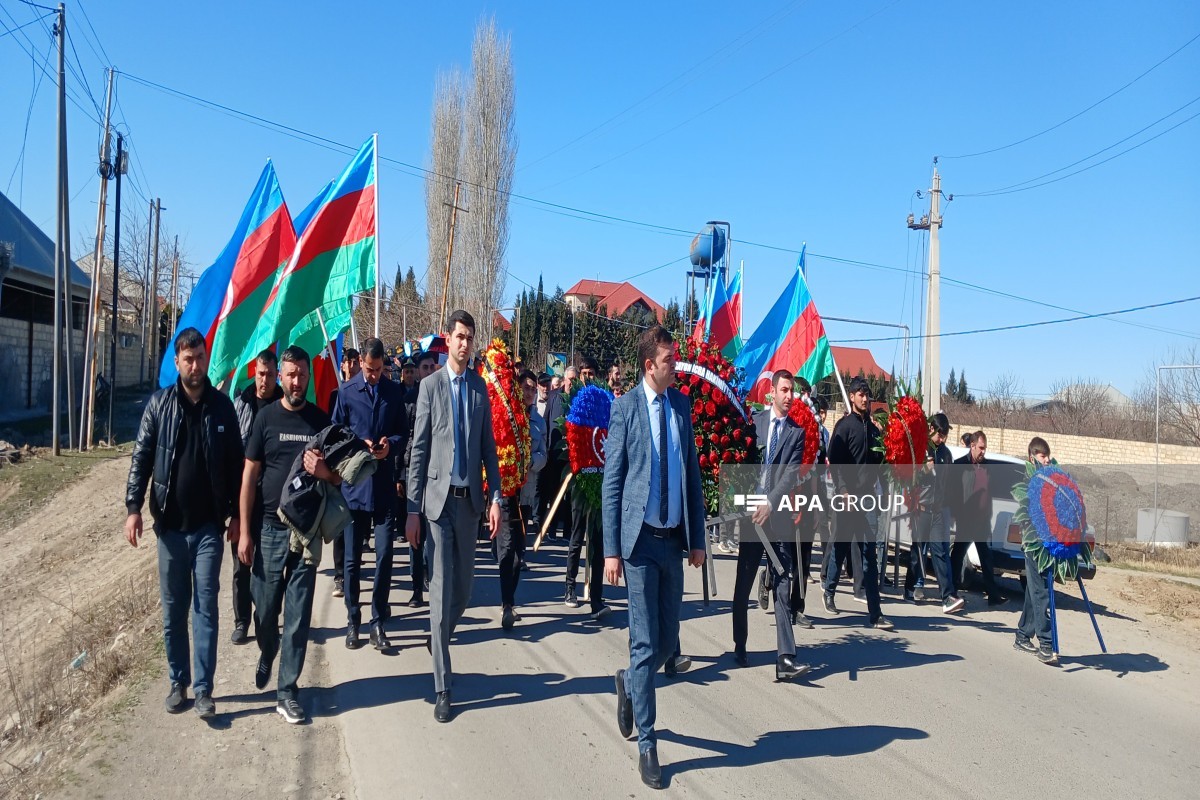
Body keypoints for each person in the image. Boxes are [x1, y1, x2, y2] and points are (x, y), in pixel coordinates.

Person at [603, 325, 706, 790]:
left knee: (667, 642)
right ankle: (648, 744)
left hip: (672, 541)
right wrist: (610, 550)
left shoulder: (680, 406)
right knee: (645, 642)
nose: (675, 366)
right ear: (649, 365)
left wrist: (698, 537)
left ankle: (628, 680)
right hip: (639, 543)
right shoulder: (625, 409)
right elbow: (613, 483)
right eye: (669, 360)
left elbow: (692, 478)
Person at [124, 327, 244, 720]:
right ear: (177, 362)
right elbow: (141, 458)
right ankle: (179, 681)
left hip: (209, 527)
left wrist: (238, 516)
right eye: (187, 359)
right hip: (171, 530)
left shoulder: (222, 408)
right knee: (174, 610)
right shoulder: (159, 406)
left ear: (207, 359)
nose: (194, 365)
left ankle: (205, 689)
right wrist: (133, 507)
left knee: (206, 607)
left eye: (199, 358)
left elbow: (238, 465)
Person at [405, 310, 503, 723]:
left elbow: (488, 452)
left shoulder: (480, 389)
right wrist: (412, 508)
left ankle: (439, 633)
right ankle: (443, 687)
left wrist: (496, 497)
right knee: (442, 587)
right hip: (436, 505)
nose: (464, 343)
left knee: (463, 589)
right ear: (449, 339)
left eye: (470, 337)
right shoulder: (430, 387)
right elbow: (419, 449)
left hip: (469, 505)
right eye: (459, 336)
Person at [238, 346, 334, 725]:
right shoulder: (265, 419)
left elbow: (340, 478)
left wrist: (323, 469)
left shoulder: (320, 423)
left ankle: (287, 690)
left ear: (309, 377)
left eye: (302, 375)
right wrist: (245, 531)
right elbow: (248, 477)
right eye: (290, 375)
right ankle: (267, 648)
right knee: (264, 609)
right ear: (281, 377)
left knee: (297, 616)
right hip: (267, 530)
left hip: (304, 535)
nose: (297, 381)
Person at [732, 370, 810, 680]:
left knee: (782, 581)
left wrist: (770, 503)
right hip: (751, 516)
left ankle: (785, 658)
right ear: (773, 392)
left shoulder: (796, 433)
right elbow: (741, 463)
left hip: (777, 519)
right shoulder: (753, 422)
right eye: (785, 390)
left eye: (792, 391)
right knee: (743, 582)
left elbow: (790, 475)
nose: (790, 396)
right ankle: (740, 643)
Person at [332, 337, 408, 651]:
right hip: (354, 489)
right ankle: (354, 620)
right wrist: (356, 444)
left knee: (384, 555)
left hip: (384, 487)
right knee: (352, 561)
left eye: (378, 369)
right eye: (369, 369)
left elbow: (404, 432)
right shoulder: (347, 392)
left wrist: (390, 443)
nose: (374, 374)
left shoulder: (393, 392)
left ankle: (378, 621)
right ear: (361, 362)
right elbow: (334, 434)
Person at [823, 377, 894, 631]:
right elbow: (835, 460)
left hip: (867, 500)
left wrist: (884, 489)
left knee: (869, 556)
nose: (866, 398)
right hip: (846, 498)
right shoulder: (844, 427)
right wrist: (842, 491)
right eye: (861, 394)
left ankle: (875, 613)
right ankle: (829, 590)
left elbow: (881, 464)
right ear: (852, 397)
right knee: (841, 547)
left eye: (868, 394)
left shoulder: (875, 430)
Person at [229, 348, 282, 646]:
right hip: (244, 496)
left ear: (277, 376)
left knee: (271, 565)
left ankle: (268, 617)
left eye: (270, 375)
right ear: (254, 373)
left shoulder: (283, 405)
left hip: (273, 499)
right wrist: (232, 507)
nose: (265, 380)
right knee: (241, 564)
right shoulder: (242, 404)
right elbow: (232, 454)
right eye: (261, 374)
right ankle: (241, 620)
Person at [496, 369, 547, 629]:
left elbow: (543, 454)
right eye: (525, 388)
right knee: (506, 547)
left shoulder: (538, 421)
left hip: (526, 493)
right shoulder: (508, 417)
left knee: (519, 551)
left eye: (532, 389)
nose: (529, 393)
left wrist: (530, 463)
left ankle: (510, 599)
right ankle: (506, 605)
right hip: (507, 493)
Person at [906, 413, 965, 613]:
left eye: (945, 435)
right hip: (921, 509)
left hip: (939, 510)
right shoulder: (921, 449)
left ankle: (947, 596)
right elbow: (909, 478)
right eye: (939, 434)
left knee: (940, 552)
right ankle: (909, 588)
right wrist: (924, 469)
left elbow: (950, 485)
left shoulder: (946, 454)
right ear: (931, 429)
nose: (941, 439)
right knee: (917, 552)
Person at [952, 431, 1008, 606]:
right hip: (966, 519)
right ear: (972, 445)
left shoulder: (988, 467)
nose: (983, 451)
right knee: (958, 555)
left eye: (985, 448)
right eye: (981, 448)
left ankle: (993, 596)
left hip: (982, 520)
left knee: (986, 557)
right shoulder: (960, 465)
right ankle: (951, 592)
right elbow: (954, 493)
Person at [1015, 437, 1058, 664]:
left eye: (1048, 455)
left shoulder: (1048, 480)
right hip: (1033, 544)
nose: (1048, 460)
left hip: (1047, 544)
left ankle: (1023, 635)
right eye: (1043, 456)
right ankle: (1046, 643)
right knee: (1040, 591)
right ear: (1033, 457)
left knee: (1035, 590)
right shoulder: (1029, 482)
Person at [401, 351, 438, 608]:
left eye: (430, 367)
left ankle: (432, 581)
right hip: (415, 478)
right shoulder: (407, 402)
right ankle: (416, 589)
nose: (426, 371)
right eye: (422, 367)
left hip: (437, 481)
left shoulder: (441, 398)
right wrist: (402, 477)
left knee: (434, 538)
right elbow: (406, 442)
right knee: (416, 537)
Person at [535, 372, 567, 538]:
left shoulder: (575, 398)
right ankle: (543, 523)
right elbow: (546, 422)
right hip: (548, 452)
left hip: (565, 455)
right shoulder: (553, 398)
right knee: (545, 490)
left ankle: (563, 529)